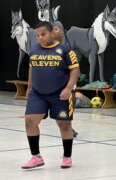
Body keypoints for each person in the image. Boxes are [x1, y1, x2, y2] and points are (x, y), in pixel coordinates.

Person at [22, 21, 80, 169]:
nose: (40, 37)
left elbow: (75, 70)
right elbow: (31, 68)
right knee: (29, 121)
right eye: (37, 35)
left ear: (52, 33)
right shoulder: (34, 49)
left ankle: (67, 157)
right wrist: (29, 86)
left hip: (60, 94)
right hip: (37, 93)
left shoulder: (65, 50)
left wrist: (68, 88)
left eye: (43, 34)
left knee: (64, 124)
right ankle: (36, 157)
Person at [53, 25, 78, 138]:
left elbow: (75, 69)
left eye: (60, 29)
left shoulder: (66, 49)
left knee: (65, 112)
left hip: (66, 87)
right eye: (56, 29)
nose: (60, 31)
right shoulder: (43, 50)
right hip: (51, 88)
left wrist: (70, 85)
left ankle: (68, 128)